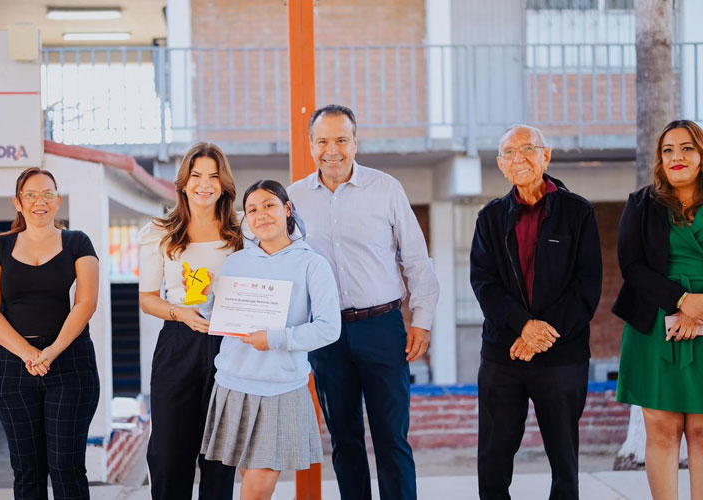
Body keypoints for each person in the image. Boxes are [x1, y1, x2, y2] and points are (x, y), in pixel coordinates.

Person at [287, 104, 439, 500]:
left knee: (392, 439)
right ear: (311, 145)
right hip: (326, 334)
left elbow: (416, 257)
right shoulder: (293, 198)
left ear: (355, 142)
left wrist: (421, 319)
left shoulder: (385, 188)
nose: (331, 149)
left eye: (341, 140)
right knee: (345, 441)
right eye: (322, 141)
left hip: (382, 327)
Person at [470, 124, 602, 500]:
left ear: (547, 155)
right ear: (501, 165)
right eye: (510, 153)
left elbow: (587, 287)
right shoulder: (490, 218)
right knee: (494, 459)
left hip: (562, 355)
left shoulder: (578, 213)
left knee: (564, 461)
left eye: (528, 149)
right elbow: (484, 283)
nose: (520, 158)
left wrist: (540, 335)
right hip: (503, 354)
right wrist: (522, 327)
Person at [198, 180, 340, 500]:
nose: (261, 214)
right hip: (233, 384)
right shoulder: (236, 262)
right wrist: (206, 297)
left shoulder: (312, 264)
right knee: (251, 477)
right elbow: (219, 318)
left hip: (280, 388)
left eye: (269, 205)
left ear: (287, 210)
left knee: (259, 486)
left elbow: (329, 328)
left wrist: (275, 339)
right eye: (252, 210)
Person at [0, 167, 100, 500]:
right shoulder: (0, 246)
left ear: (58, 200)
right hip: (13, 368)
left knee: (66, 467)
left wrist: (52, 351)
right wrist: (29, 354)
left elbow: (86, 303)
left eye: (47, 194)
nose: (39, 201)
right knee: (27, 470)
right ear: (17, 202)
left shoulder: (78, 242)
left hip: (71, 365)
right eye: (30, 195)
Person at [138, 142, 241, 500]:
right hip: (178, 342)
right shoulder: (160, 231)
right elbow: (147, 299)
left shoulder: (243, 230)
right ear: (183, 182)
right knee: (167, 455)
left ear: (224, 184)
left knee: (219, 457)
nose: (205, 184)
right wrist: (178, 311)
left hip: (230, 345)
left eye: (214, 176)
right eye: (196, 175)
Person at [613, 119, 703, 500]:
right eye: (668, 150)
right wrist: (684, 302)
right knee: (663, 430)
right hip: (654, 325)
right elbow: (631, 266)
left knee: (701, 431)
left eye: (686, 148)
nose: (676, 157)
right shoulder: (641, 204)